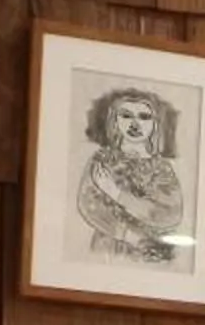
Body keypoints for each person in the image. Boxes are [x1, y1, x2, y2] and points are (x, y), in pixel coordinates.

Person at [77, 86, 187, 264]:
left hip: (152, 253)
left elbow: (169, 214)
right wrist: (131, 237)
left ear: (154, 125)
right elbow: (90, 205)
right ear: (115, 121)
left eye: (144, 117)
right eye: (126, 115)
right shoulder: (102, 160)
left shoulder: (162, 168)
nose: (134, 124)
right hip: (108, 248)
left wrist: (116, 194)